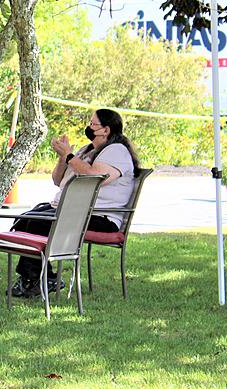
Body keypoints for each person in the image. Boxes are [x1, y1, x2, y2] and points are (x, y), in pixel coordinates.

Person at [10, 109, 140, 298]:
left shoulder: (116, 151)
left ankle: (37, 279)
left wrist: (71, 156)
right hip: (75, 210)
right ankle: (40, 277)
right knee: (28, 218)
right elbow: (57, 179)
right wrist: (64, 156)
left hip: (100, 217)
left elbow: (94, 177)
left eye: (93, 124)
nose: (88, 127)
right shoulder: (87, 149)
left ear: (106, 130)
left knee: (39, 223)